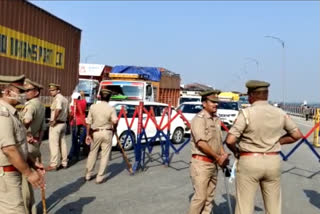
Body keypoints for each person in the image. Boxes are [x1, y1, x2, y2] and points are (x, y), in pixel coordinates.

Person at [225, 80, 303, 214]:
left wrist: (236, 151)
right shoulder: (279, 112)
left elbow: (230, 140)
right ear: (267, 95)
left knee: (244, 206)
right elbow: (297, 134)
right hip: (273, 162)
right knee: (273, 207)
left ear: (251, 95)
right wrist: (278, 142)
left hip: (250, 161)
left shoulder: (246, 113)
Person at [0, 75, 45, 214]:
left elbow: (18, 144)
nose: (23, 95)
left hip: (12, 172)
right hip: (6, 175)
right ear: (7, 92)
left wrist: (31, 162)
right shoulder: (3, 114)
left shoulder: (11, 113)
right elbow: (9, 149)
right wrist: (29, 173)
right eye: (20, 92)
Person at [188, 90, 230, 214]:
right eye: (212, 102)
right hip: (201, 164)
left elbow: (218, 141)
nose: (215, 105)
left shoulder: (216, 119)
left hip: (214, 164)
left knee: (209, 199)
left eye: (217, 102)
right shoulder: (199, 119)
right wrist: (218, 157)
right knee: (200, 198)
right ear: (204, 103)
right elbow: (201, 143)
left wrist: (223, 156)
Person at [20, 79, 46, 214]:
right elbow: (43, 128)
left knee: (25, 181)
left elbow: (27, 120)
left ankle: (27, 210)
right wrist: (38, 141)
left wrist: (22, 132)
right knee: (31, 180)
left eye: (28, 90)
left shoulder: (30, 105)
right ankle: (33, 209)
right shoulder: (41, 106)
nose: (25, 93)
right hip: (35, 144)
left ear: (36, 92)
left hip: (27, 145)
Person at [85, 89, 118, 184]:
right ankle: (100, 177)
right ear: (109, 98)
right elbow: (115, 121)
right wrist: (114, 128)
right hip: (107, 132)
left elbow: (88, 122)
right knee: (105, 155)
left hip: (95, 132)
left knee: (93, 153)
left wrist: (87, 134)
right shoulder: (111, 108)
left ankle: (88, 174)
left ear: (100, 96)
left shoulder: (93, 107)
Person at [45, 83, 69, 171]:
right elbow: (69, 113)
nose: (51, 92)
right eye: (50, 90)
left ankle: (53, 164)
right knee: (63, 144)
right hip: (63, 123)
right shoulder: (65, 99)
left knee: (53, 144)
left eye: (53, 90)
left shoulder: (58, 98)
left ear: (58, 90)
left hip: (57, 124)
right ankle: (64, 162)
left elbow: (58, 109)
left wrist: (54, 120)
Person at [68, 92, 87, 164]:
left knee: (74, 139)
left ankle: (72, 155)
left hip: (75, 123)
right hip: (83, 122)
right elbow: (84, 99)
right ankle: (77, 154)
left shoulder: (72, 104)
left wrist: (69, 120)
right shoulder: (83, 102)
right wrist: (82, 95)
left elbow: (71, 114)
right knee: (80, 140)